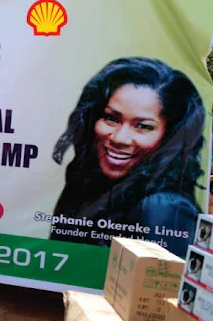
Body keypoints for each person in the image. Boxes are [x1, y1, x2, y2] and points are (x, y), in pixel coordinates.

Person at [50, 57, 206, 257]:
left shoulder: (163, 208)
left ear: (170, 137)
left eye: (143, 126)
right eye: (111, 118)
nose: (119, 138)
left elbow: (161, 278)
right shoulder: (87, 182)